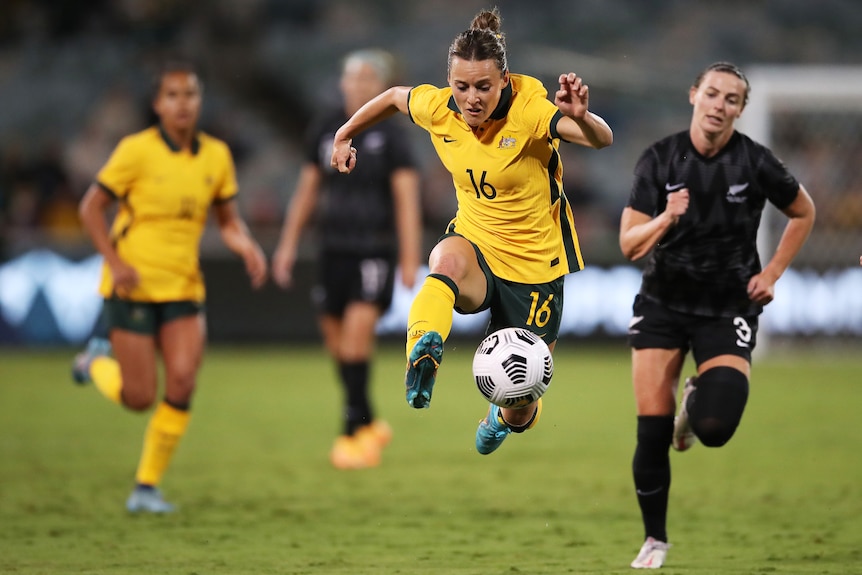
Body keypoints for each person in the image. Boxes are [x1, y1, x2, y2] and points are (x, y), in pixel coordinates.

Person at [331, 8, 613, 455]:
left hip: (535, 267)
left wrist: (582, 116)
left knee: (520, 406)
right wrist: (345, 133)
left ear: (503, 80)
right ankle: (422, 350)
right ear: (450, 82)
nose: (471, 98)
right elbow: (390, 97)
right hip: (476, 242)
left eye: (483, 86)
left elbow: (602, 140)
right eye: (461, 86)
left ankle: (502, 417)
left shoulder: (529, 110)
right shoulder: (439, 107)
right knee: (444, 262)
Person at [619, 61, 815, 568]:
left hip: (727, 306)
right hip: (663, 303)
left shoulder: (754, 162)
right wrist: (666, 216)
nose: (719, 105)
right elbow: (628, 244)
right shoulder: (659, 160)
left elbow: (803, 211)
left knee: (716, 426)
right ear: (694, 96)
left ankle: (694, 404)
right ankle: (655, 540)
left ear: (741, 110)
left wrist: (771, 272)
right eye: (712, 93)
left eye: (731, 99)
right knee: (651, 430)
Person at [71, 61, 268, 513]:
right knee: (139, 397)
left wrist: (247, 246)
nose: (183, 103)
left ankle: (146, 487)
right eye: (173, 95)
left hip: (183, 285)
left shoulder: (216, 155)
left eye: (191, 95)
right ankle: (94, 363)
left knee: (181, 382)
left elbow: (228, 221)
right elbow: (90, 209)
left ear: (200, 102)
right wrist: (115, 262)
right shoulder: (135, 150)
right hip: (133, 284)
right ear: (158, 104)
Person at [272, 49, 422, 470]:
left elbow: (406, 199)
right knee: (337, 345)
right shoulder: (325, 127)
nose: (358, 85)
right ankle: (370, 418)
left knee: (358, 337)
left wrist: (410, 257)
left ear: (380, 87)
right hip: (331, 248)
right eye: (353, 78)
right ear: (342, 83)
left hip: (373, 249)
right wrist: (287, 244)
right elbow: (307, 190)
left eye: (368, 79)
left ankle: (351, 433)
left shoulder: (392, 135)